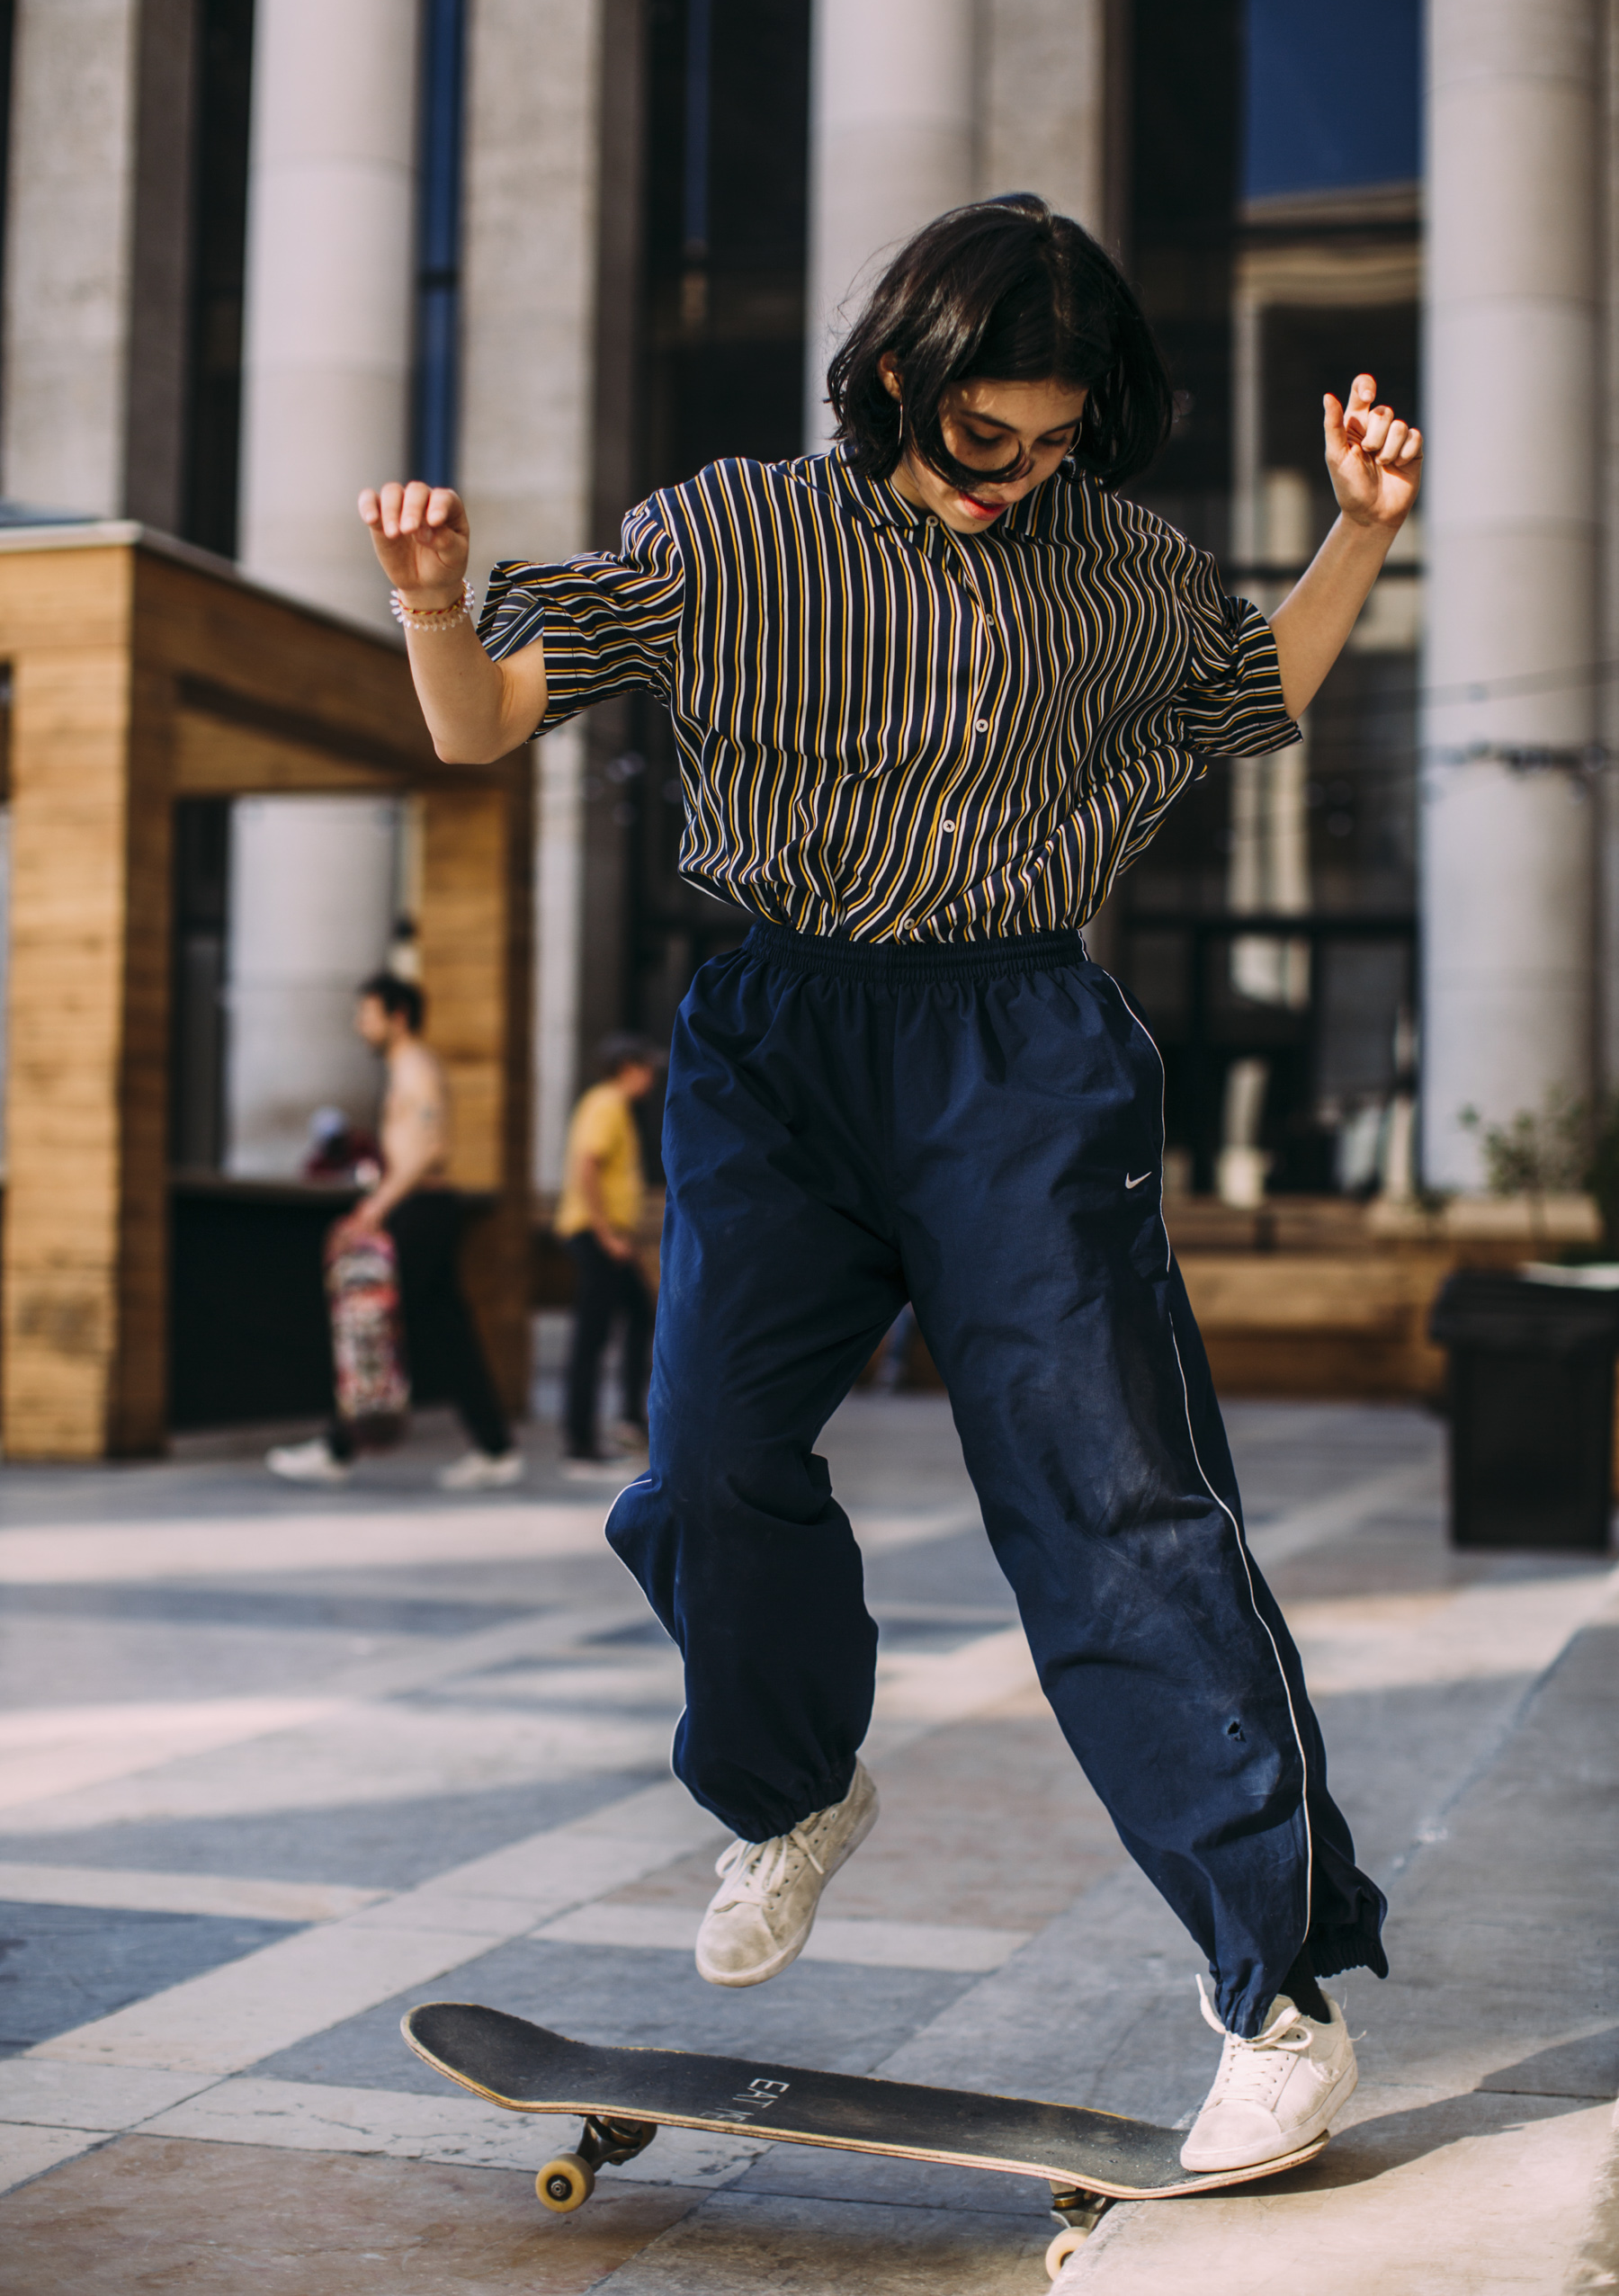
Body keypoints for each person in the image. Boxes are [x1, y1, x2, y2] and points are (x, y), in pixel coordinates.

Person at [359, 195, 1423, 2174]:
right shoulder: (733, 532)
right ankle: (788, 1789)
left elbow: (1246, 700)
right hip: (780, 1037)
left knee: (1111, 1506)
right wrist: (433, 599)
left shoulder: (1127, 567)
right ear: (887, 387)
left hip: (1017, 1045)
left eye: (1057, 444)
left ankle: (1273, 1992)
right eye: (977, 442)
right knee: (699, 1465)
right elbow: (486, 717)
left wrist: (1359, 530)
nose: (1017, 482)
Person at [268, 971, 523, 1494]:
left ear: (397, 1016)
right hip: (421, 1205)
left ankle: (338, 1448)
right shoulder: (406, 1067)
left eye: (368, 1014)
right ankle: (496, 1447)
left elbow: (429, 1145)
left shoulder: (414, 1067)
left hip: (420, 1207)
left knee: (368, 1320)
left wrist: (376, 1207)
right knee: (448, 1331)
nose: (360, 1025)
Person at [556, 1034, 659, 1479]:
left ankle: (630, 1421)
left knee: (642, 1315)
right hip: (597, 1235)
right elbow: (587, 1166)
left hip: (612, 1237)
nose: (652, 1080)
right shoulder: (606, 1104)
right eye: (648, 1070)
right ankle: (579, 1445)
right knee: (591, 1338)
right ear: (629, 1068)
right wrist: (605, 1232)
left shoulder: (613, 1106)